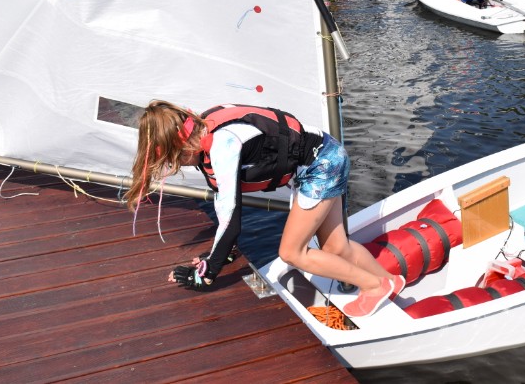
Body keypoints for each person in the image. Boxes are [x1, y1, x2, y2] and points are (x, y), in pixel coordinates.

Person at [126, 101, 405, 318]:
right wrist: (220, 254)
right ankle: (390, 281)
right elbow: (224, 205)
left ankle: (374, 286)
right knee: (336, 247)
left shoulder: (223, 145)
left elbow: (231, 219)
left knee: (291, 252)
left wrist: (207, 273)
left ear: (184, 145)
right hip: (329, 152)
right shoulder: (205, 125)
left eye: (175, 159)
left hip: (320, 167)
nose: (177, 165)